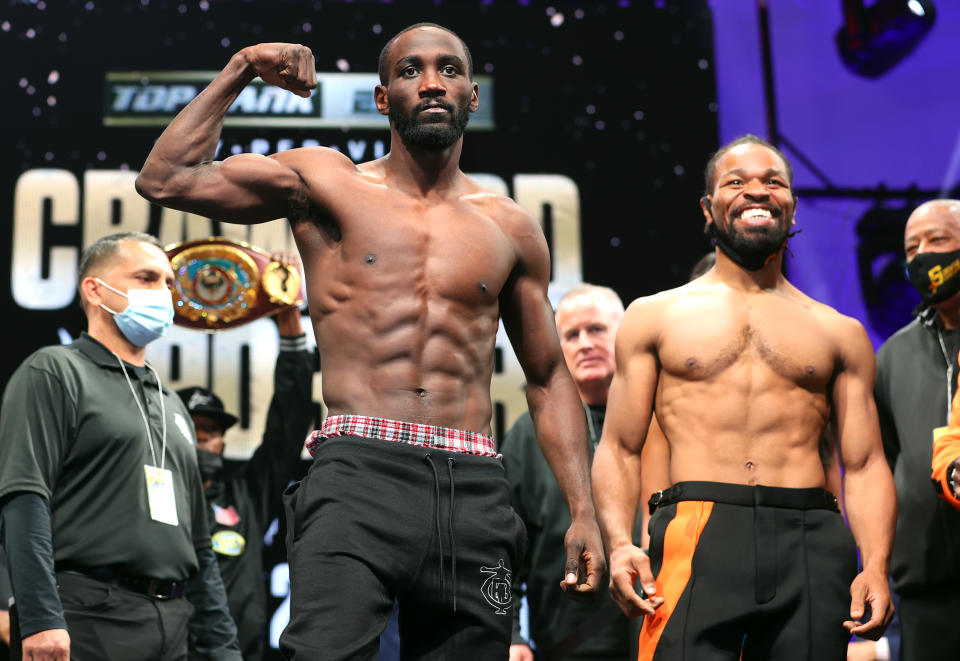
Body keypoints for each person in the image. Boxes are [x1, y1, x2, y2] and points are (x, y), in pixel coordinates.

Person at [134, 23, 604, 660]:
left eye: (449, 70)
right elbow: (167, 179)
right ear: (384, 99)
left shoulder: (511, 228)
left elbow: (548, 377)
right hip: (358, 476)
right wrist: (242, 67)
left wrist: (584, 508)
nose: (431, 82)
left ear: (471, 96)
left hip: (475, 492)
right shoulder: (325, 184)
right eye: (410, 71)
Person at [592, 135, 896, 660]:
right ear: (708, 209)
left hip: (810, 539)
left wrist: (874, 565)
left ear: (793, 207)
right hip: (696, 533)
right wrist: (621, 544)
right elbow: (619, 446)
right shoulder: (654, 315)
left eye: (773, 182)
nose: (757, 191)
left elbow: (864, 462)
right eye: (736, 182)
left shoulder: (839, 333)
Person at [0, 232, 240, 660]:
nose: (165, 294)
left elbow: (201, 547)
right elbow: (24, 498)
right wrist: (39, 619)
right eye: (147, 278)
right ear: (95, 290)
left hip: (173, 623)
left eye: (169, 283)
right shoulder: (55, 371)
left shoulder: (173, 406)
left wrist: (224, 650)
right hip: (87, 615)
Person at [180, 283, 315, 660]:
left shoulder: (246, 496)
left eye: (212, 431)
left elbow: (288, 426)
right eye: (192, 429)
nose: (203, 440)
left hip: (237, 652)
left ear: (223, 441)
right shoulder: (151, 493)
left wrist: (289, 326)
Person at [504, 284, 637, 661]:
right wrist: (511, 632)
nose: (584, 343)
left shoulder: (659, 420)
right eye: (571, 335)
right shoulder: (528, 435)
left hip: (659, 630)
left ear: (624, 334)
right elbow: (506, 540)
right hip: (565, 640)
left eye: (596, 330)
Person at [875, 198, 960, 660]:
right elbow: (886, 465)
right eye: (911, 248)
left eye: (938, 240)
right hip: (924, 595)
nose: (922, 255)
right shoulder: (892, 356)